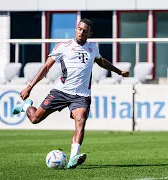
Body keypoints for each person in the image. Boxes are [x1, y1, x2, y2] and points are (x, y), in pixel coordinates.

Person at [12, 18, 130, 169]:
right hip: (61, 91)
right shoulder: (63, 46)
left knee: (80, 121)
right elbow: (46, 68)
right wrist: (29, 87)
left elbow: (101, 61)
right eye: (79, 29)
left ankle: (73, 158)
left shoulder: (93, 48)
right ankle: (26, 107)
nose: (81, 32)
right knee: (35, 119)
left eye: (85, 31)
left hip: (82, 95)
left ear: (90, 33)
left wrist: (119, 71)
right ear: (76, 29)